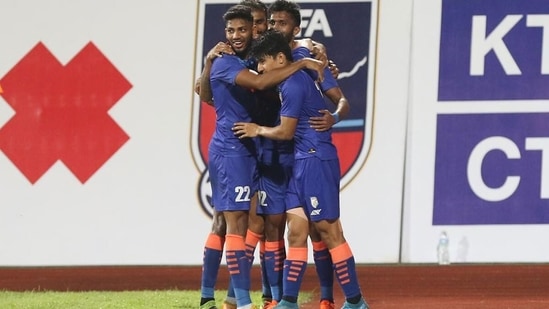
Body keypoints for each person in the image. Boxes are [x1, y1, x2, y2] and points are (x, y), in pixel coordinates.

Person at [197, 5, 325, 309]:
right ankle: (226, 299)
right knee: (232, 223)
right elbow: (214, 91)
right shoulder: (227, 61)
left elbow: (288, 52)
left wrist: (311, 47)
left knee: (254, 223)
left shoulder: (254, 57)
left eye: (251, 26)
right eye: (236, 29)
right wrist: (303, 62)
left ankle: (251, 297)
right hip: (233, 149)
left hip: (253, 149)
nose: (244, 33)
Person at [232, 30, 369, 309]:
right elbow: (305, 49)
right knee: (296, 231)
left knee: (330, 231)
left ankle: (355, 301)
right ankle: (289, 301)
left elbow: (285, 131)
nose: (260, 69)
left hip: (315, 159)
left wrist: (256, 129)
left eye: (263, 62)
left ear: (281, 58)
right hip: (300, 160)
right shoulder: (295, 69)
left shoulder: (292, 84)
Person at [266, 1, 351, 308]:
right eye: (272, 22)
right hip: (281, 156)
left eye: (282, 23)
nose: (276, 27)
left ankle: (336, 298)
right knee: (289, 229)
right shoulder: (262, 59)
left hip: (307, 152)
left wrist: (335, 117)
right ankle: (282, 300)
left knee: (323, 229)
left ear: (296, 28)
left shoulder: (310, 57)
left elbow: (341, 101)